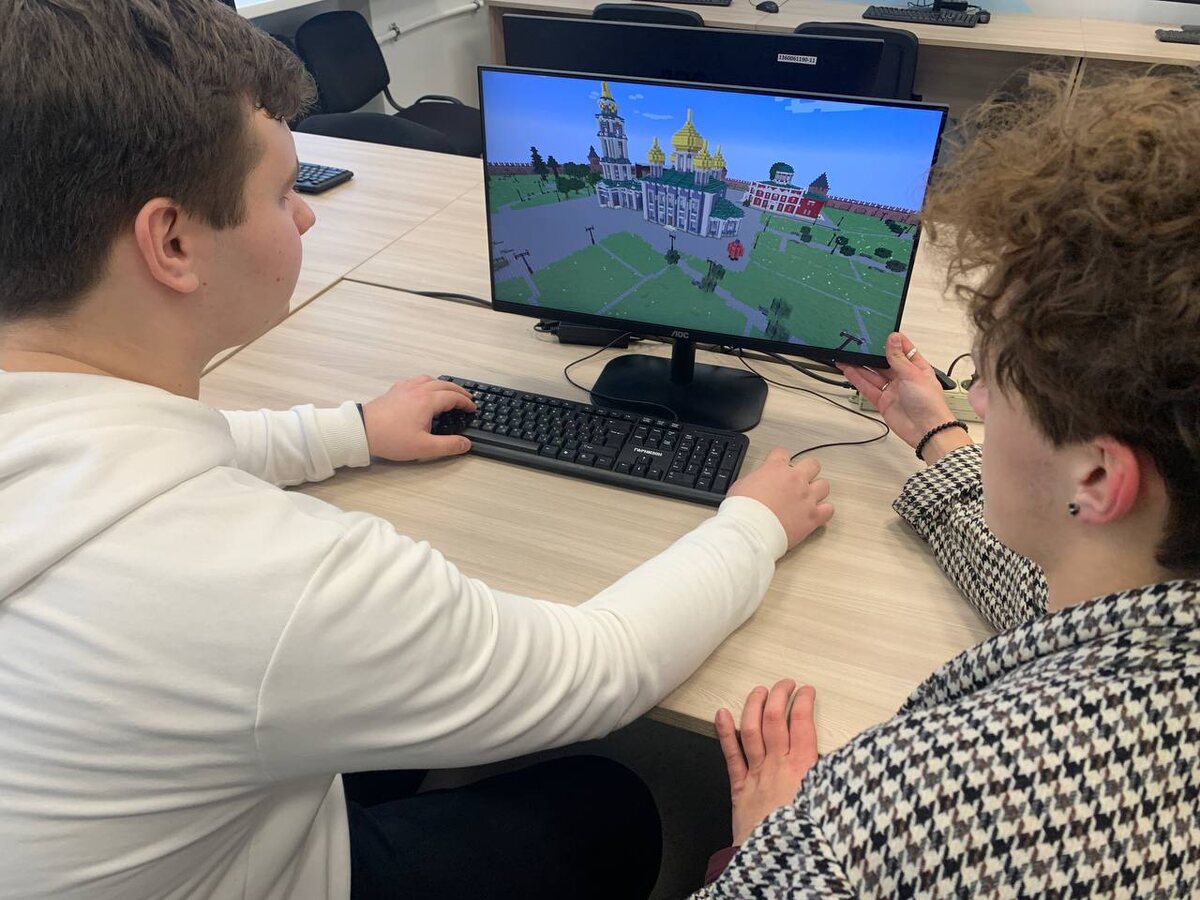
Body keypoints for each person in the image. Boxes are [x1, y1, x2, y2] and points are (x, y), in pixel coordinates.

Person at [0, 2, 836, 898]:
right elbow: (599, 668)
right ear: (172, 241)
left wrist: (350, 429)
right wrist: (753, 525)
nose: (306, 219)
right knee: (609, 803)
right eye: (281, 194)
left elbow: (130, 456)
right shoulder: (261, 580)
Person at [694, 70, 1200, 896]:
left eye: (992, 380)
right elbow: (1062, 601)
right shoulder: (1158, 591)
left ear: (1098, 477)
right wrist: (939, 436)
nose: (980, 401)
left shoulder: (894, 813)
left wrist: (781, 846)